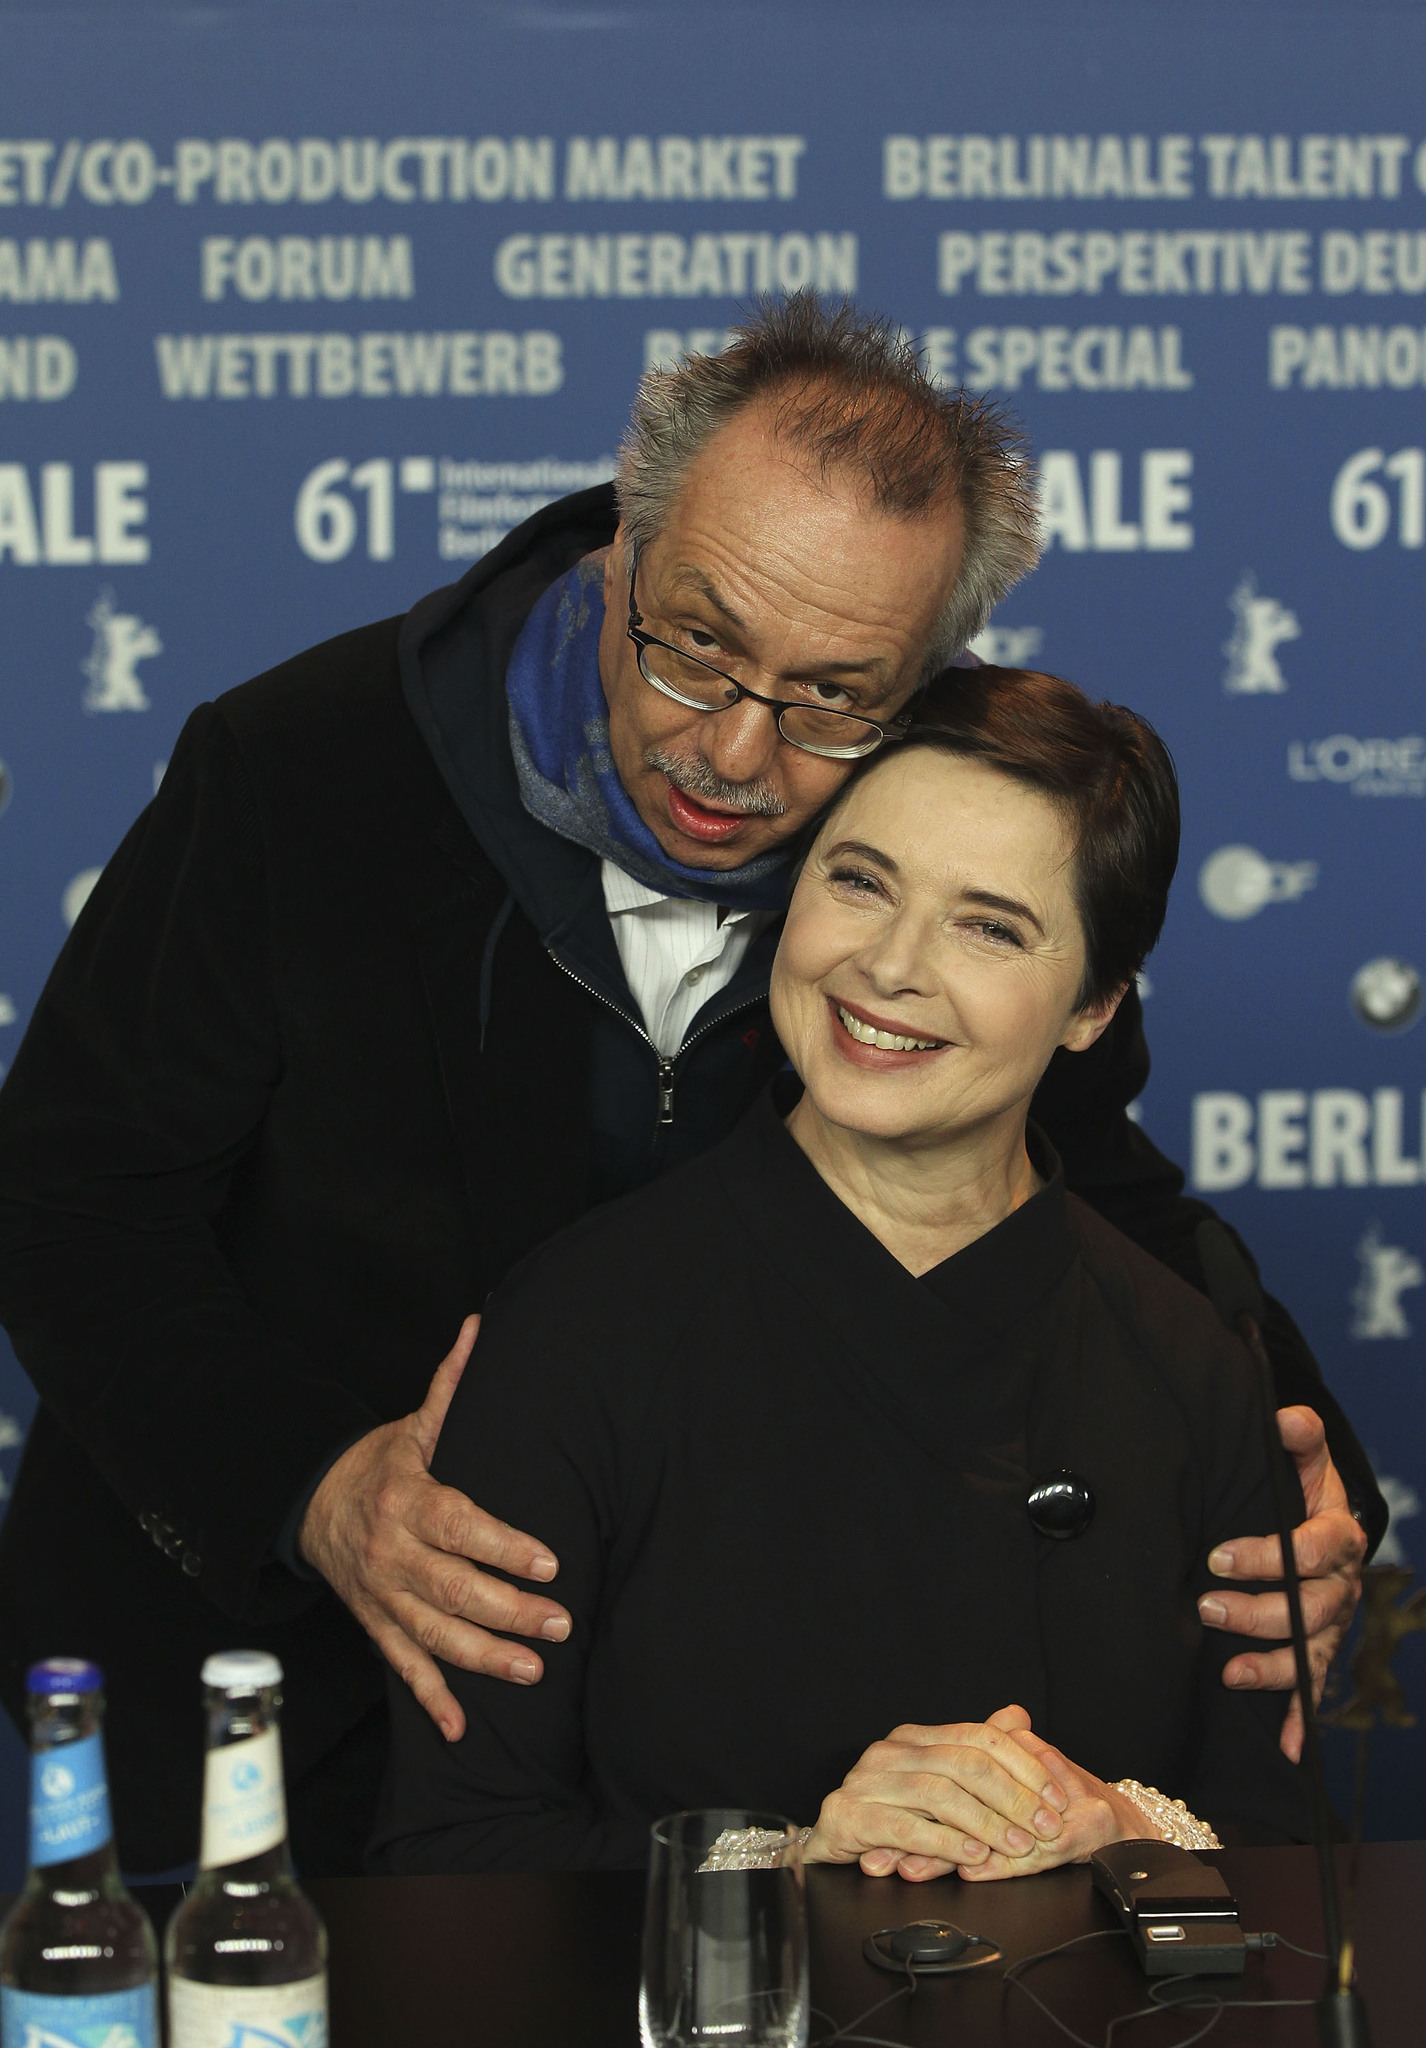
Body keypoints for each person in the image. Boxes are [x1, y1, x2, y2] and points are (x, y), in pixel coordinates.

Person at [0, 298, 1373, 1878]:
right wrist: (309, 1486)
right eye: (694, 643)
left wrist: (1297, 1486)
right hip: (257, 1698)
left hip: (682, 1761)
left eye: (832, 696)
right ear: (620, 546)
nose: (731, 749)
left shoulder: (922, 850)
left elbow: (1089, 1195)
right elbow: (69, 1206)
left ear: (923, 673)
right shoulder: (300, 768)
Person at [372, 666, 1312, 1875]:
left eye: (989, 925)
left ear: (1092, 1004)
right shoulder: (576, 1324)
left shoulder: (1189, 1363)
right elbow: (451, 1856)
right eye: (859, 880)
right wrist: (794, 1861)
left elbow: (1282, 1867)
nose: (890, 966)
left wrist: (1116, 1830)